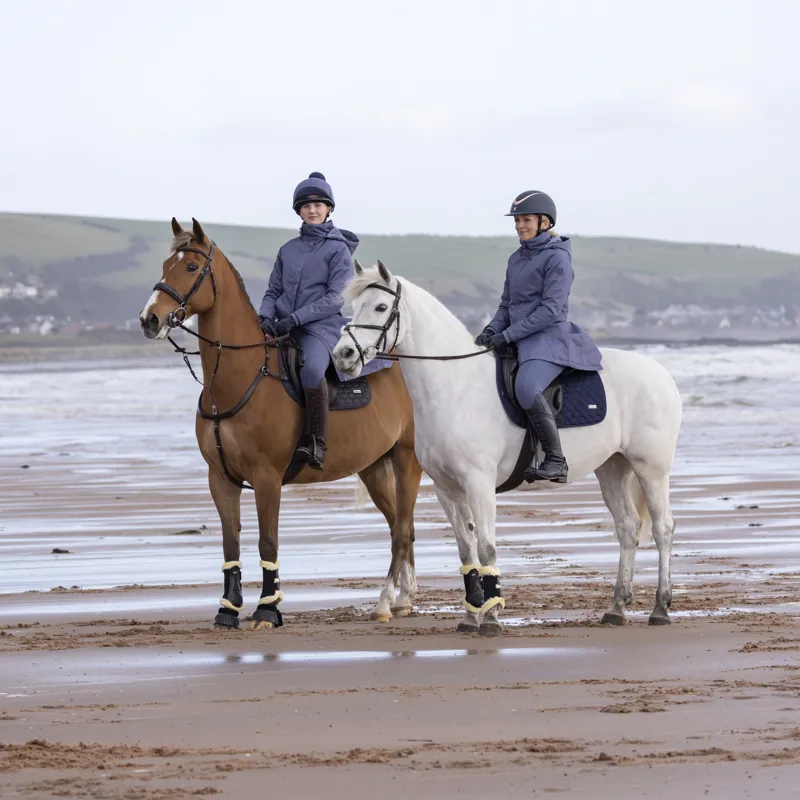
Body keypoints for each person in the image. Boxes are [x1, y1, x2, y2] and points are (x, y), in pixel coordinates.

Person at [475, 190, 602, 483]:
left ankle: (556, 460)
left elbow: (551, 310)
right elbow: (506, 305)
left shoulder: (557, 259)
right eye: (517, 220)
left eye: (526, 219)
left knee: (527, 386)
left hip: (549, 340)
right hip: (517, 338)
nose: (520, 225)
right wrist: (491, 330)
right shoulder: (516, 259)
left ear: (544, 222)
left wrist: (507, 334)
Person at [258, 172, 358, 470]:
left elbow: (336, 298)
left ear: (329, 209)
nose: (312, 210)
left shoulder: (338, 249)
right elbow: (273, 290)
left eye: (319, 204)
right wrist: (265, 315)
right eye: (306, 205)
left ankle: (315, 442)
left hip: (322, 328)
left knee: (313, 369)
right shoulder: (287, 250)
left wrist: (296, 318)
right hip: (283, 325)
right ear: (299, 210)